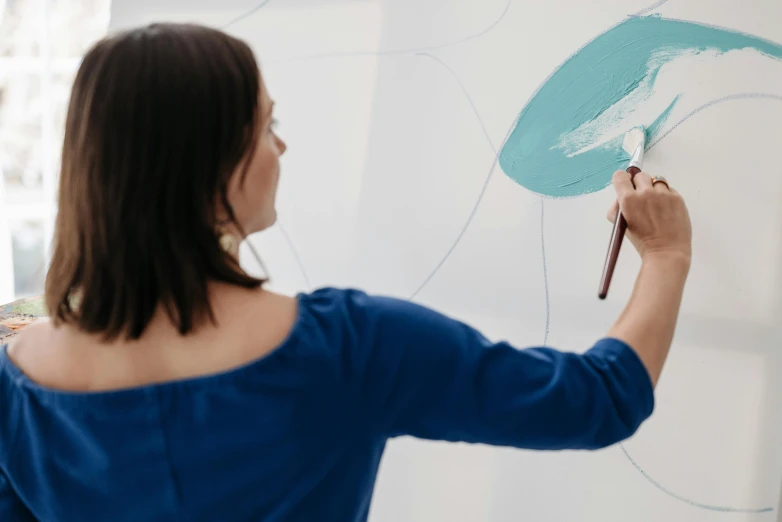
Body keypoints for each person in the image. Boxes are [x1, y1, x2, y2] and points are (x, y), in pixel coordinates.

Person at [0, 24, 691, 521]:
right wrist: (667, 257)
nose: (283, 144)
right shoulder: (348, 349)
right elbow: (598, 400)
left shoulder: (17, 378)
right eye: (266, 125)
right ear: (209, 167)